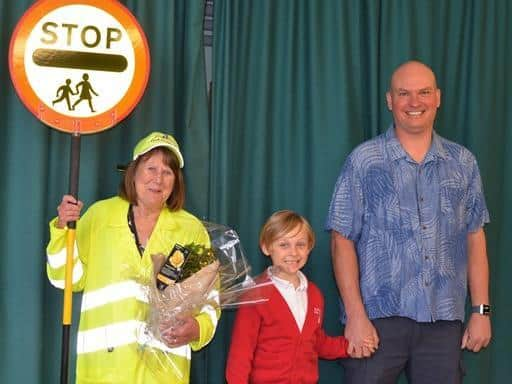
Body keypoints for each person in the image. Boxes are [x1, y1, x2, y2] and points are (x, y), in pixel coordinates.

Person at [325, 60, 491, 383]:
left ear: (438, 97)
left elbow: (475, 237)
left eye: (424, 92)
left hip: (443, 321)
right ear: (390, 100)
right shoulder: (364, 161)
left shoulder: (463, 163)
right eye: (404, 93)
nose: (415, 102)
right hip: (376, 322)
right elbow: (340, 240)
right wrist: (356, 315)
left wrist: (481, 311)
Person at [46, 131, 220, 383]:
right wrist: (63, 229)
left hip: (164, 373)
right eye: (151, 168)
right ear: (133, 171)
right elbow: (66, 278)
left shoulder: (190, 229)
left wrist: (198, 327)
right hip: (102, 371)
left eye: (167, 172)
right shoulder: (99, 216)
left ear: (176, 181)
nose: (158, 179)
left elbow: (210, 296)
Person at [226, 210, 363, 384]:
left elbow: (316, 341)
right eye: (284, 245)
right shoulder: (255, 294)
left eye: (300, 244)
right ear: (266, 247)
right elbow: (240, 354)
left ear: (309, 248)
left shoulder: (314, 294)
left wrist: (350, 347)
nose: (293, 252)